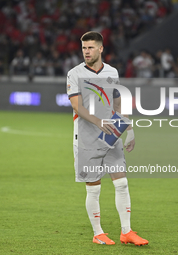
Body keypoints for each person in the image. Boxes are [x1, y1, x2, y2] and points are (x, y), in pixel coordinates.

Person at [66, 31, 148, 246]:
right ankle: (98, 233)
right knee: (94, 187)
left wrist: (129, 128)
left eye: (91, 47)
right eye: (84, 48)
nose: (87, 52)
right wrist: (98, 122)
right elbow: (77, 106)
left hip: (110, 136)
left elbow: (118, 104)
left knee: (122, 183)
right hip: (86, 138)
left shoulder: (112, 72)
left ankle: (126, 232)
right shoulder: (74, 74)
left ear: (101, 49)